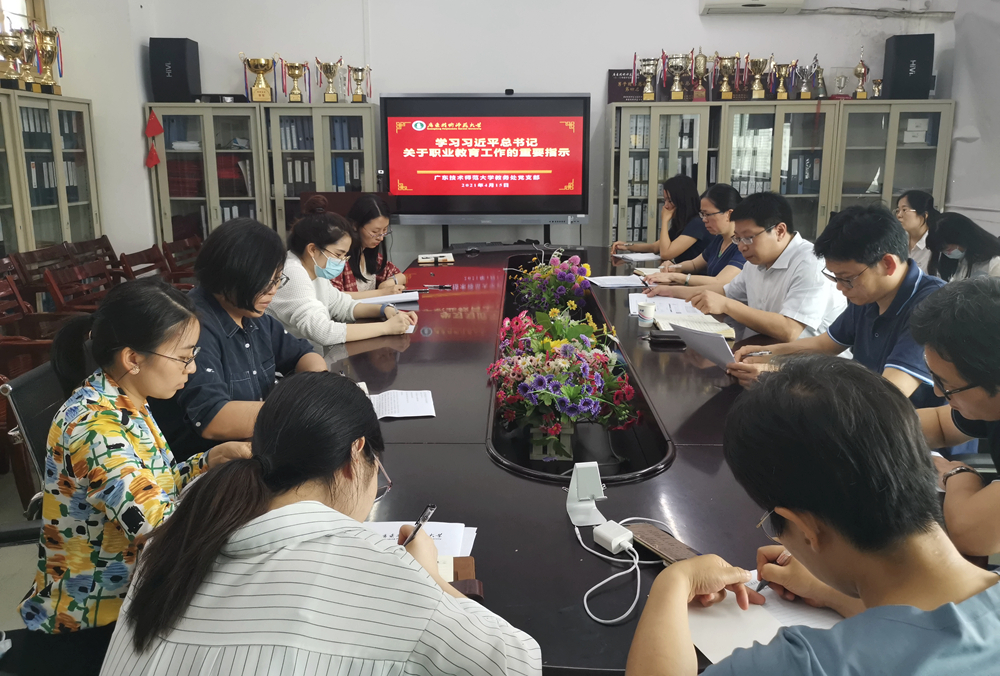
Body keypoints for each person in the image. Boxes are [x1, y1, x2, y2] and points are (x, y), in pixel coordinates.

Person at [102, 372, 542, 676]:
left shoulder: (178, 533)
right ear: (356, 454)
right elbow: (516, 663)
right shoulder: (381, 570)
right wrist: (428, 578)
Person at [626, 355, 1000, 676]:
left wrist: (675, 582)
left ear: (806, 529)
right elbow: (924, 626)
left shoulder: (804, 664)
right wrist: (829, 592)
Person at [16, 280, 249, 676]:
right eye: (184, 357)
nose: (192, 368)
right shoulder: (96, 429)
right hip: (92, 624)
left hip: (129, 597)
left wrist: (210, 459)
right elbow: (161, 531)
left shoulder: (125, 398)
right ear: (133, 358)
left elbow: (153, 486)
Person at [727, 204, 944, 408]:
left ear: (887, 264)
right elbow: (824, 345)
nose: (840, 287)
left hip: (903, 422)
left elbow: (887, 393)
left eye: (846, 278)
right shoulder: (869, 295)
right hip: (859, 407)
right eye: (835, 277)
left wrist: (780, 377)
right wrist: (763, 353)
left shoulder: (932, 306)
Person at [149, 219, 327, 460]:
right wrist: (296, 411)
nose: (273, 290)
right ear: (233, 276)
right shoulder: (193, 327)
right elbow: (213, 418)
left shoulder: (252, 313)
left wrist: (317, 389)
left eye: (277, 280)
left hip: (256, 444)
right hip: (209, 463)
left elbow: (304, 355)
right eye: (266, 282)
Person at [644, 192, 845, 344]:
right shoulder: (756, 262)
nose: (741, 246)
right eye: (737, 238)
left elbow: (789, 330)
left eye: (748, 238)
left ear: (779, 231)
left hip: (809, 368)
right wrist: (670, 291)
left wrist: (727, 305)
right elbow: (724, 292)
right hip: (760, 350)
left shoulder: (810, 263)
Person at [911, 278, 1000, 556]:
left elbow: (970, 533)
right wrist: (860, 427)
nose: (938, 392)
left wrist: (957, 474)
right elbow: (939, 424)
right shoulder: (989, 402)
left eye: (947, 385)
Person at [267, 195, 417, 350]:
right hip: (288, 361)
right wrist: (386, 328)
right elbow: (323, 331)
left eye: (345, 255)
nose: (342, 261)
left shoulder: (315, 270)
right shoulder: (293, 273)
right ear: (312, 249)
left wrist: (384, 309)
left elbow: (342, 304)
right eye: (338, 254)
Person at [643, 184, 746, 288]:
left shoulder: (743, 245)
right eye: (702, 214)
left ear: (729, 214)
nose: (704, 220)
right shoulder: (719, 239)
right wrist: (674, 267)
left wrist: (674, 277)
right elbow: (694, 264)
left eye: (707, 214)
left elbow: (720, 281)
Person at [611, 174, 711, 264]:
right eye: (665, 200)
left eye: (670, 201)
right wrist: (627, 246)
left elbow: (666, 254)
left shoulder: (697, 224)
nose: (665, 206)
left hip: (694, 276)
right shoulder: (682, 223)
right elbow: (655, 247)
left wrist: (664, 221)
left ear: (682, 201)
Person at [333, 194, 407, 299]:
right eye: (375, 232)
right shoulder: (339, 257)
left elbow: (400, 276)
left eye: (385, 230)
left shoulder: (370, 254)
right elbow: (335, 297)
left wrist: (388, 284)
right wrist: (381, 293)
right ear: (355, 226)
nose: (381, 238)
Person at [927, 212, 1000, 281]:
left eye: (949, 249)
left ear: (962, 239)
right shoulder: (962, 261)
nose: (948, 254)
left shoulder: (995, 262)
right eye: (943, 252)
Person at [895, 190, 938, 272]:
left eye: (904, 210)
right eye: (898, 210)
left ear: (924, 215)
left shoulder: (935, 244)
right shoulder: (898, 240)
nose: (899, 215)